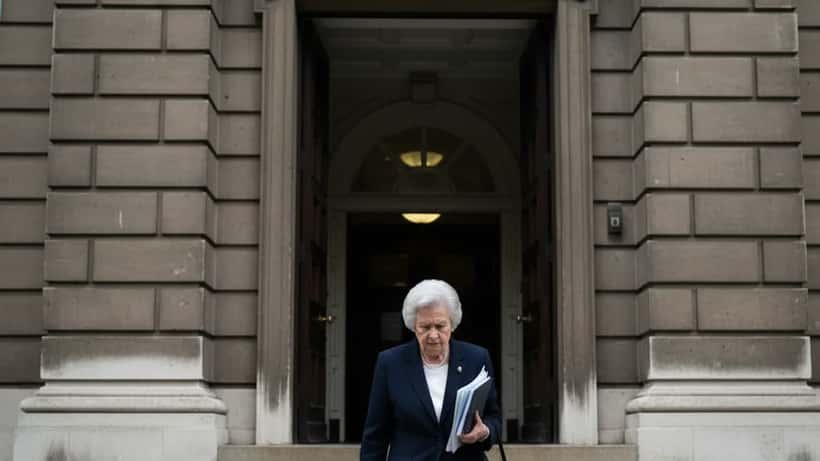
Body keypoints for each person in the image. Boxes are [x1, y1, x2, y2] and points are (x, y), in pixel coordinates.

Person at [360, 279, 501, 461]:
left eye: (440, 326)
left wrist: (484, 432)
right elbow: (375, 434)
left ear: (452, 324)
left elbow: (494, 417)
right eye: (425, 327)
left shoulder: (477, 358)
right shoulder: (390, 363)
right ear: (413, 326)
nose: (433, 335)